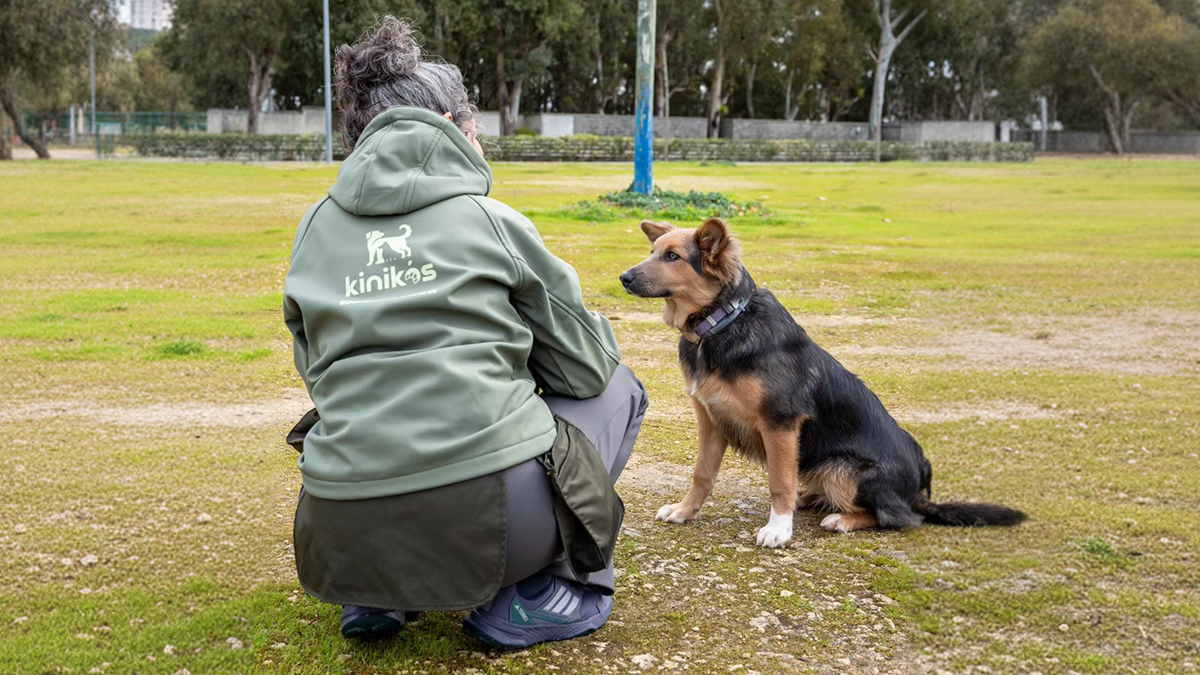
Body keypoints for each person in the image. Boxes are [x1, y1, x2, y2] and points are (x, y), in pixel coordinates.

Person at [281, 17, 646, 650]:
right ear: (454, 127)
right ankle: (545, 591)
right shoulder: (489, 220)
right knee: (622, 388)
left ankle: (376, 593)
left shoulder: (314, 227)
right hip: (492, 521)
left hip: (341, 534)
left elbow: (317, 373)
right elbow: (586, 368)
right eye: (477, 129)